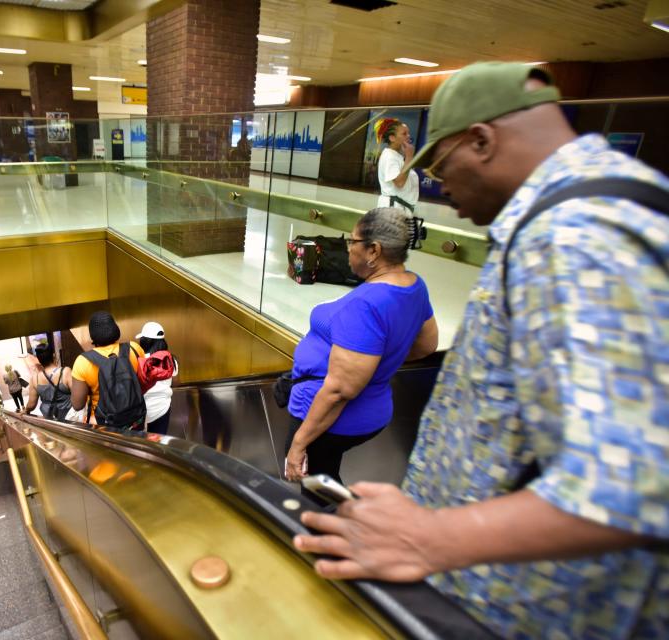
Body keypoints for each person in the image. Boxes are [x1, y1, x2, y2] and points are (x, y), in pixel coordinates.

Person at [293, 62, 669, 639]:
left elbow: (630, 483)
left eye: (443, 169)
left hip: (528, 611)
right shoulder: (585, 214)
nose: (445, 192)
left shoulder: (574, 236)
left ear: (483, 140)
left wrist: (425, 537)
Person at [283, 207, 437, 485]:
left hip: (333, 419)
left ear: (373, 251)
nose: (347, 248)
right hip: (372, 409)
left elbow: (340, 390)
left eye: (352, 242)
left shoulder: (365, 305)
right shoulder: (414, 286)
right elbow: (427, 344)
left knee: (319, 490)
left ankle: (346, 525)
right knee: (325, 477)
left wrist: (298, 444)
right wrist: (375, 363)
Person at [70, 311, 146, 429]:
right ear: (115, 329)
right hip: (136, 419)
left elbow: (77, 405)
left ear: (92, 335)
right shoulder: (134, 348)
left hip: (106, 426)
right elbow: (142, 381)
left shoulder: (83, 362)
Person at [136, 321, 178, 435]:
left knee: (140, 445)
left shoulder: (139, 360)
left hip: (142, 409)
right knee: (159, 442)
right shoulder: (171, 359)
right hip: (162, 408)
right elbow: (174, 380)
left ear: (144, 341)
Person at [375, 118, 418, 215]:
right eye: (404, 134)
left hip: (399, 208)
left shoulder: (397, 156)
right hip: (393, 209)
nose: (408, 136)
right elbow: (399, 182)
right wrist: (409, 157)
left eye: (408, 133)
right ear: (392, 138)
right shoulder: (390, 156)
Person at [26, 345, 73, 420]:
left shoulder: (35, 379)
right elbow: (77, 395)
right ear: (53, 355)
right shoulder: (65, 372)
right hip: (69, 418)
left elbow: (31, 405)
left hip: (50, 419)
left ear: (39, 359)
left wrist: (25, 411)